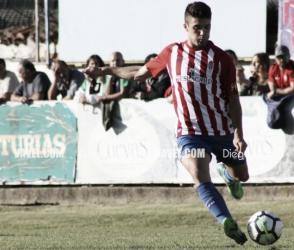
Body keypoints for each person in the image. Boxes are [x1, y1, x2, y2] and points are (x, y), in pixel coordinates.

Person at [83, 2, 249, 245]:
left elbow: (234, 100)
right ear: (185, 27)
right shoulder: (172, 53)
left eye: (207, 27)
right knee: (199, 175)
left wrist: (238, 134)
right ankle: (226, 220)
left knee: (243, 175)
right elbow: (139, 74)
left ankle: (229, 174)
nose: (202, 33)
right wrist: (106, 70)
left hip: (221, 131)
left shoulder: (223, 59)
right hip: (190, 132)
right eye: (196, 28)